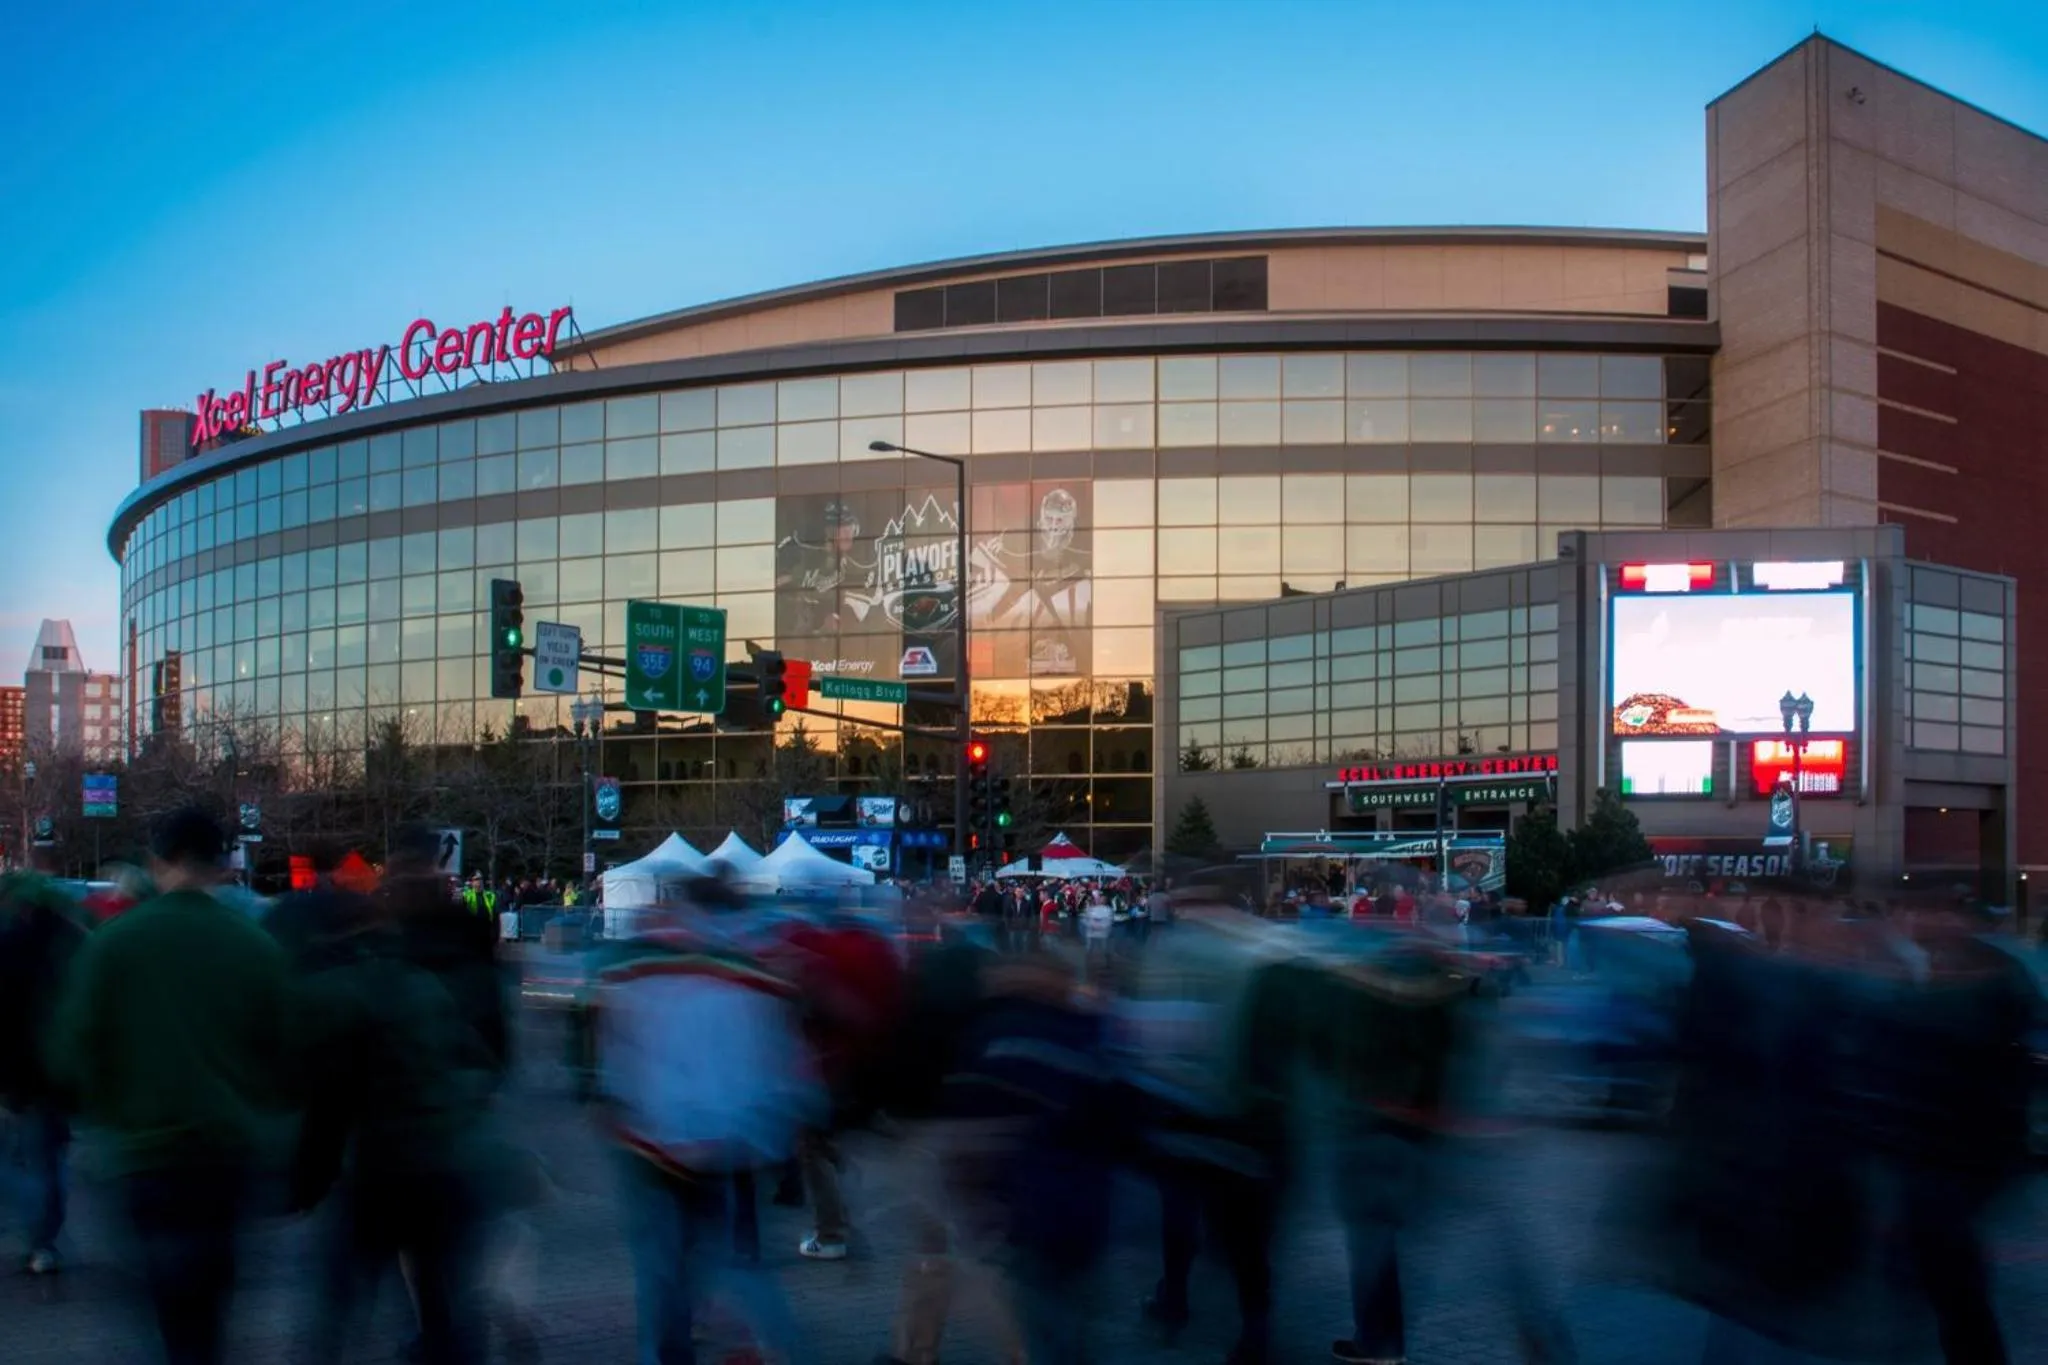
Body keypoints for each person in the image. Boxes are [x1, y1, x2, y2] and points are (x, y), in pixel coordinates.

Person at [50, 805, 288, 1365]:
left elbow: (73, 1050)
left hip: (144, 1157)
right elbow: (286, 1056)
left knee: (162, 1303)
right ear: (223, 865)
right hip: (227, 1157)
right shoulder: (255, 946)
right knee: (211, 1308)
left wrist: (103, 1110)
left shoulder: (115, 943)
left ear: (158, 862)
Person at [289, 828, 508, 1365]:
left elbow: (335, 1085)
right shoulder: (465, 946)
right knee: (441, 1293)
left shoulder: (374, 979)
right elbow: (492, 1047)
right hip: (446, 1154)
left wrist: (309, 1173)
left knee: (342, 1296)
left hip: (380, 1164)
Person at [592, 871, 819, 1365]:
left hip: (652, 1142)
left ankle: (673, 1351)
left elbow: (611, 1047)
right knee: (731, 1260)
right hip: (724, 1142)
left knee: (662, 1271)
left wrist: (616, 1106)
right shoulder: (752, 973)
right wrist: (773, 1133)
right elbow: (781, 1063)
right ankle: (773, 1346)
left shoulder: (637, 965)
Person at [0, 868, 87, 1274]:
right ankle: (45, 1239)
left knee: (23, 1160)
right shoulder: (76, 943)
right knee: (50, 1158)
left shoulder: (10, 946)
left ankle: (38, 1233)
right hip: (62, 1072)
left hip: (23, 1073)